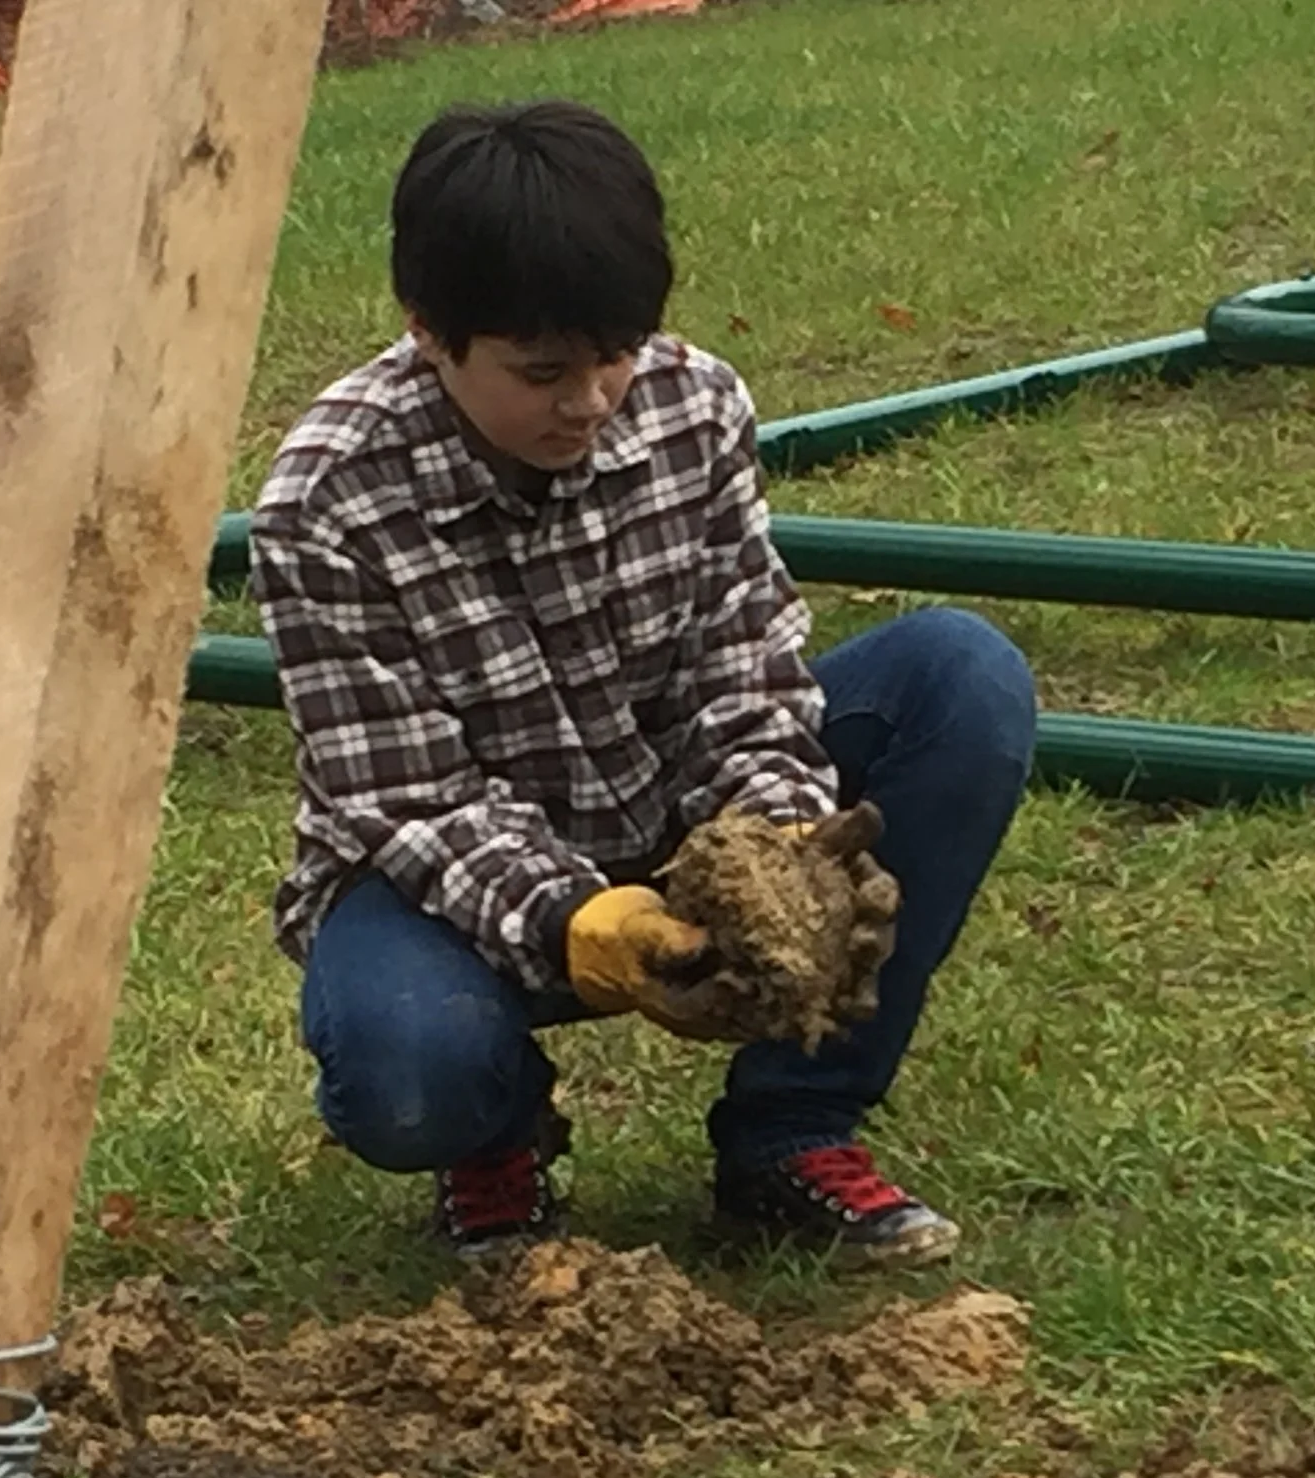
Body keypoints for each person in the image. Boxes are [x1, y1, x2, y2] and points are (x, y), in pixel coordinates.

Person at [249, 97, 1036, 1271]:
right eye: (543, 372)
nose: (593, 401)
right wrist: (584, 921)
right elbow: (406, 803)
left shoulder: (696, 403)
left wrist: (775, 848)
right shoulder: (326, 503)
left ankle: (791, 1129)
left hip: (672, 808)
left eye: (617, 354)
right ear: (428, 332)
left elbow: (745, 655)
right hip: (449, 879)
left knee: (961, 676)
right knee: (409, 1073)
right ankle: (495, 1140)